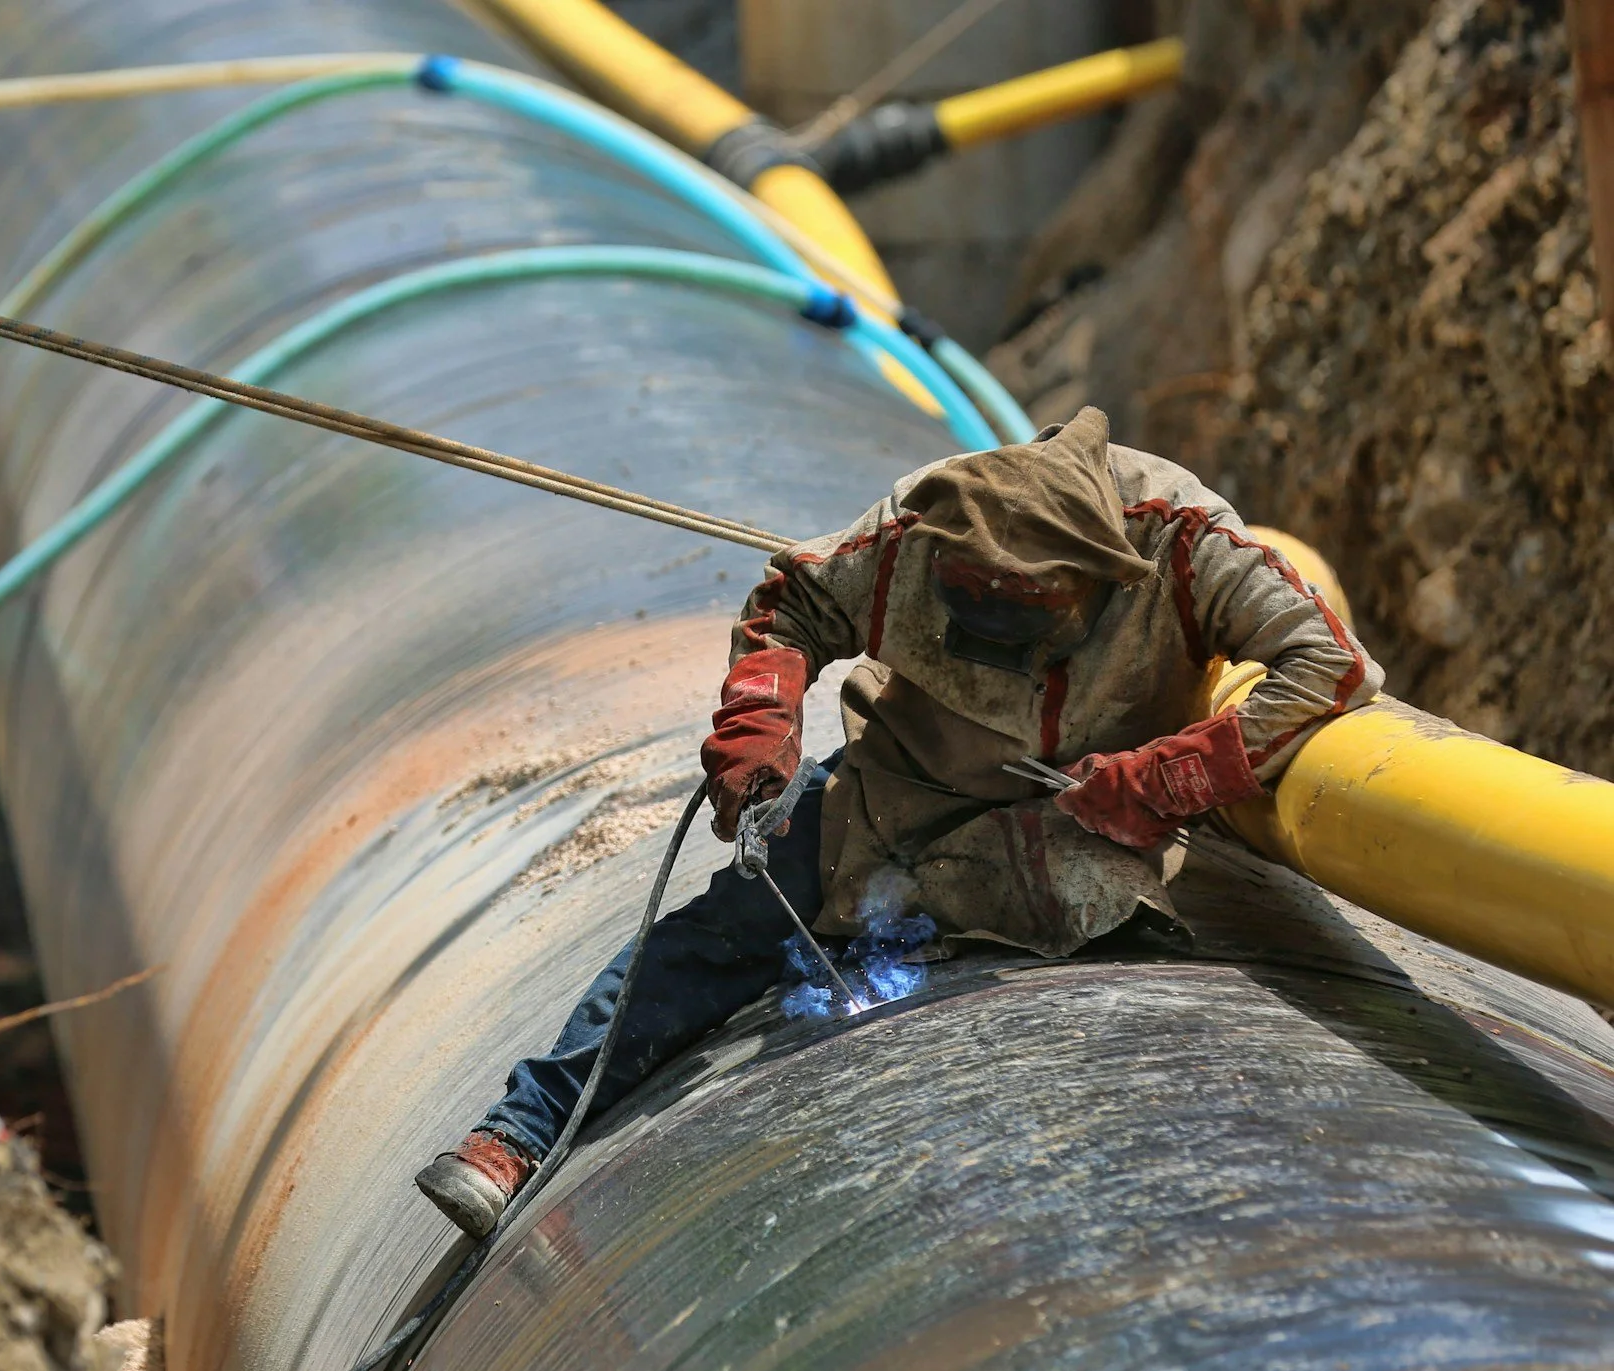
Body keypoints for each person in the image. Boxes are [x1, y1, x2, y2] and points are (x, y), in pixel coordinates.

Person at [414, 407, 1382, 1239]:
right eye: (971, 598)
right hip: (895, 792)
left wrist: (1165, 777)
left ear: (1097, 579)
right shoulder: (921, 521)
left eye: (1024, 608)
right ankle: (520, 1130)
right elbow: (788, 605)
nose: (991, 621)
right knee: (718, 935)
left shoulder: (1177, 537)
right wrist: (758, 728)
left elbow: (1329, 666)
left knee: (1127, 989)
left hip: (1072, 827)